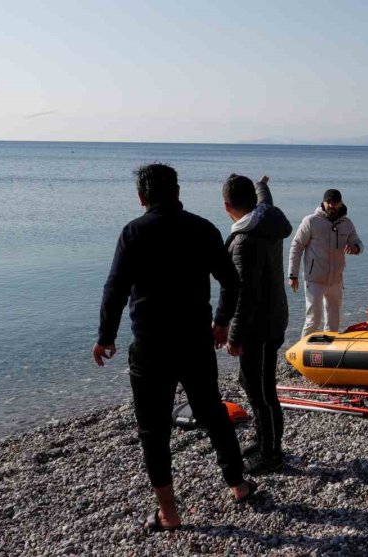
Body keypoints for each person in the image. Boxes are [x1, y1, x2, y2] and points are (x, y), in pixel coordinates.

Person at [92, 163, 254, 532]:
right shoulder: (202, 229)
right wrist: (221, 322)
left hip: (150, 346)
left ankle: (169, 513)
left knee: (153, 430)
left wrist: (106, 337)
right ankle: (239, 486)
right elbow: (231, 281)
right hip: (195, 340)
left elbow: (114, 289)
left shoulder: (134, 233)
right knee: (212, 413)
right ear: (178, 192)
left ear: (141, 197)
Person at [214, 174, 292, 474]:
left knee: (262, 391)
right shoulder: (265, 219)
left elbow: (245, 294)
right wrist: (261, 184)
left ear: (226, 206)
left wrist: (234, 336)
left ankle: (272, 452)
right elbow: (265, 200)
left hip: (260, 327)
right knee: (252, 384)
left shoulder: (245, 240)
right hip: (273, 317)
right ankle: (263, 438)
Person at [288, 188, 363, 336]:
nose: (332, 206)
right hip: (315, 279)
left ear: (341, 204)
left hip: (336, 281)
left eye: (335, 203)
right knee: (313, 320)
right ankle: (303, 351)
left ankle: (329, 352)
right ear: (323, 202)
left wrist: (355, 248)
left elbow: (359, 243)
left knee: (333, 322)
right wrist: (293, 275)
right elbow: (296, 246)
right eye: (329, 202)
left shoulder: (347, 224)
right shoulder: (311, 221)